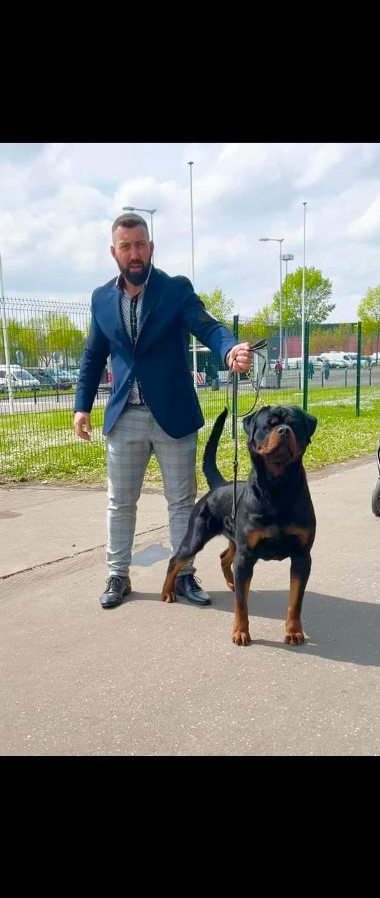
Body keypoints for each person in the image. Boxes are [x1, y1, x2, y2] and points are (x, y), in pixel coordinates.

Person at [74, 214, 251, 610]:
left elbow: (207, 326)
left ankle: (183, 575)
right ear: (114, 252)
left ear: (151, 247)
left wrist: (229, 349)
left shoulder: (174, 290)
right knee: (120, 502)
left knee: (181, 502)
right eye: (126, 246)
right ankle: (118, 575)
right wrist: (81, 406)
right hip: (124, 417)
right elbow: (93, 355)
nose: (134, 253)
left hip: (173, 415)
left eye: (140, 244)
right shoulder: (101, 299)